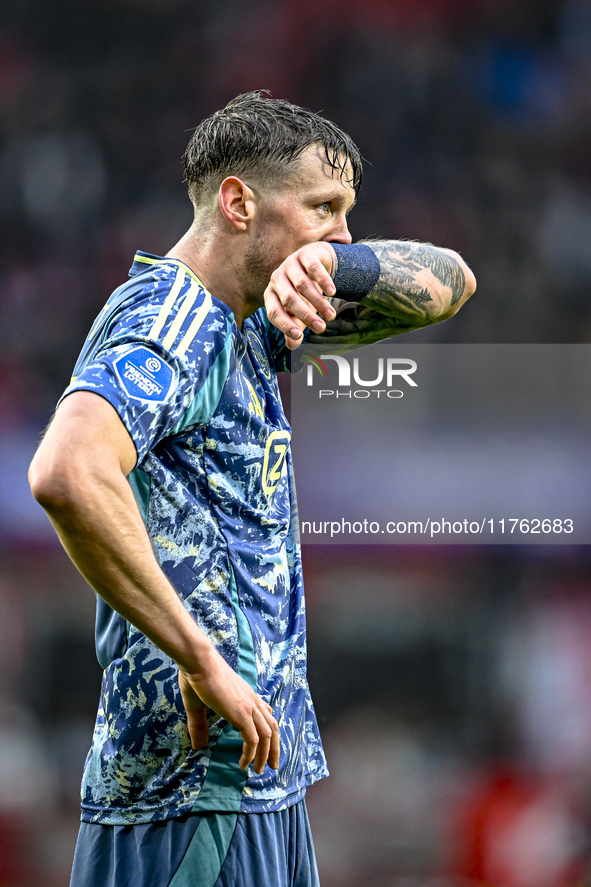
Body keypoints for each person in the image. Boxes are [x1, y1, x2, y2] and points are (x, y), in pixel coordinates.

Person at [29, 91, 476, 887]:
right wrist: (200, 657)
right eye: (322, 209)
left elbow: (452, 282)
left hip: (251, 781)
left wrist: (337, 262)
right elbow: (68, 471)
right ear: (238, 202)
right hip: (190, 789)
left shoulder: (252, 319)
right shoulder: (172, 320)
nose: (341, 230)